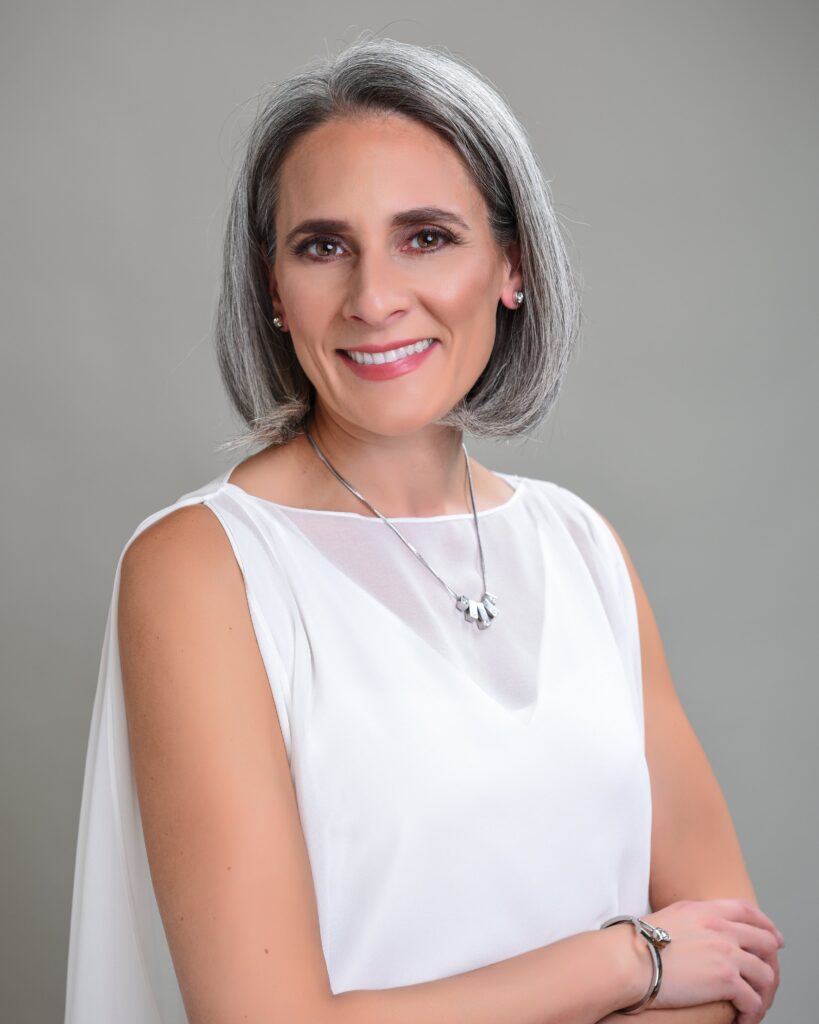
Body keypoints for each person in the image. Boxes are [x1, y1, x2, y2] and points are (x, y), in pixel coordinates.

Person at [64, 34, 784, 1024]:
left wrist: (669, 960)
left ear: (511, 265)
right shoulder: (198, 567)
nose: (372, 298)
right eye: (323, 246)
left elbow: (732, 950)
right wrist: (627, 960)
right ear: (273, 287)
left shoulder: (582, 548)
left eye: (427, 236)